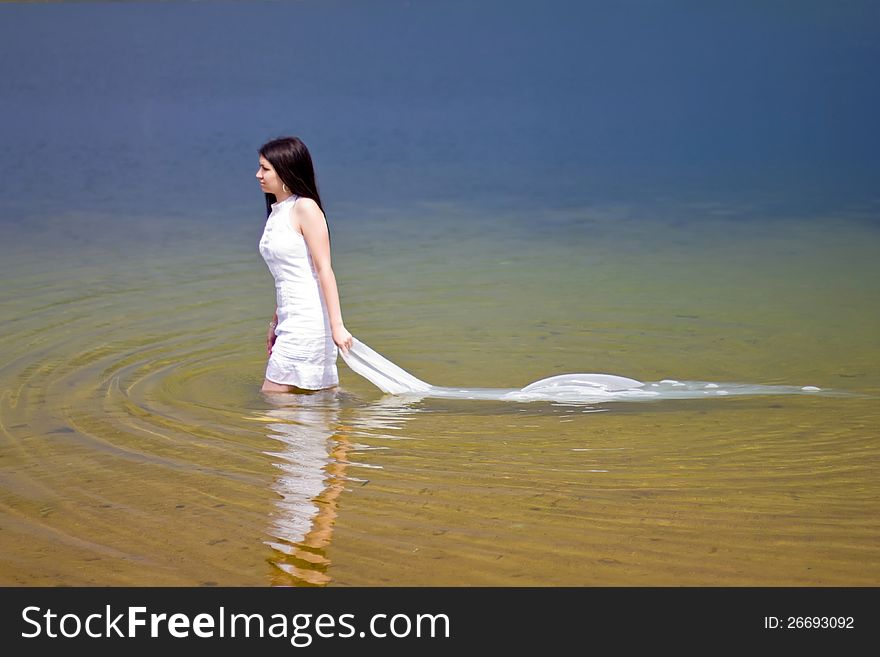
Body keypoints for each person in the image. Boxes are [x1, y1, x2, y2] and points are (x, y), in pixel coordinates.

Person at [256, 136, 353, 393]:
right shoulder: (278, 212)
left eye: (265, 168)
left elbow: (323, 269)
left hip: (308, 319)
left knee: (273, 396)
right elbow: (287, 275)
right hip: (290, 317)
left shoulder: (305, 208)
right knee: (314, 398)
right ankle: (336, 428)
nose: (258, 175)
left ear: (286, 171)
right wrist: (274, 323)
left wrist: (337, 326)